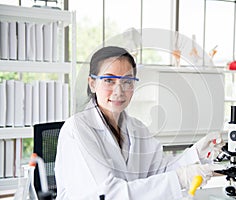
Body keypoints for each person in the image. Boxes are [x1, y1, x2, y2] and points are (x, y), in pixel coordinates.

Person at [55, 46, 223, 200]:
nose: (119, 91)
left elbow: (159, 172)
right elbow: (107, 194)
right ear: (92, 84)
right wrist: (180, 179)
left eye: (127, 81)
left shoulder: (136, 129)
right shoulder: (77, 129)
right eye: (109, 80)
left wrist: (195, 154)